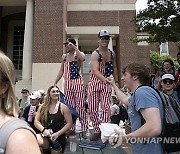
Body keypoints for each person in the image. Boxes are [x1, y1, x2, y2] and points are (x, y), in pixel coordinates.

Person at [107, 63, 164, 154]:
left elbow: (154, 127)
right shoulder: (139, 93)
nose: (122, 78)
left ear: (135, 77)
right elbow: (125, 99)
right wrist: (113, 85)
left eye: (125, 75)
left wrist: (125, 138)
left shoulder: (143, 93)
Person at [0, 51, 41, 154]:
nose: (32, 100)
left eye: (34, 99)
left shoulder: (19, 138)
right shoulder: (25, 107)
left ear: (3, 87)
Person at [88, 30, 119, 141]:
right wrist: (104, 80)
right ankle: (97, 130)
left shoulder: (112, 53)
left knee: (106, 108)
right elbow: (95, 70)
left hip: (107, 83)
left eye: (106, 38)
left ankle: (105, 132)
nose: (105, 40)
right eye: (102, 38)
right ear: (98, 40)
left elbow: (114, 68)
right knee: (92, 109)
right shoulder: (95, 54)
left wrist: (115, 81)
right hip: (95, 82)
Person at [54, 38, 88, 138]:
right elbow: (61, 71)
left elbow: (83, 59)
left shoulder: (79, 54)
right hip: (67, 84)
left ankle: (85, 129)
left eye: (68, 44)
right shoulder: (64, 57)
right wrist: (55, 82)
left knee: (81, 106)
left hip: (77, 82)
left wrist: (75, 48)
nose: (66, 46)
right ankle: (71, 128)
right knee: (70, 107)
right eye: (65, 45)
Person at [34, 85, 72, 154]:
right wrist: (43, 130)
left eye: (57, 91)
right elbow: (36, 121)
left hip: (58, 137)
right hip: (45, 135)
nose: (56, 93)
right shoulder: (42, 107)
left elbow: (69, 123)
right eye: (53, 92)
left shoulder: (63, 107)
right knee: (34, 140)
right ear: (49, 94)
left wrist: (57, 134)